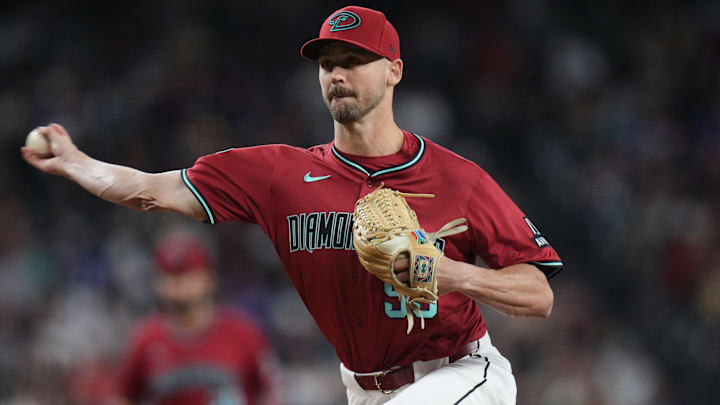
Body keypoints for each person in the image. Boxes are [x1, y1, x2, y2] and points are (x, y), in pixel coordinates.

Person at [21, 5, 563, 404]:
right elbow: (147, 190)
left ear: (394, 70)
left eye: (355, 59)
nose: (337, 74)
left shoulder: (455, 177)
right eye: (328, 62)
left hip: (460, 374)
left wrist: (453, 275)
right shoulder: (279, 175)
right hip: (363, 388)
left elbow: (538, 295)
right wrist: (73, 161)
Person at [110, 232, 277, 405]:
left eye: (187, 275)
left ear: (209, 278)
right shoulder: (145, 340)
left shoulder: (244, 333)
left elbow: (272, 392)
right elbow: (122, 396)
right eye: (170, 276)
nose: (179, 285)